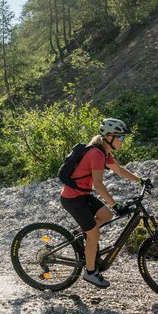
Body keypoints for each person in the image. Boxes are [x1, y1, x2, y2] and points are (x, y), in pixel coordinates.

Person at [60, 118, 145, 289]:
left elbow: (119, 170)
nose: (123, 141)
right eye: (120, 138)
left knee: (106, 216)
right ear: (109, 137)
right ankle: (90, 272)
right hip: (73, 199)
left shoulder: (104, 152)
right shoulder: (96, 154)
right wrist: (115, 204)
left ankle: (76, 235)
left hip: (82, 195)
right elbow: (98, 184)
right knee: (94, 234)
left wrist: (140, 180)